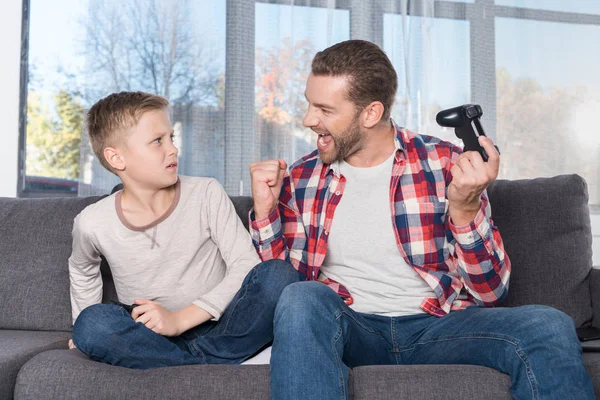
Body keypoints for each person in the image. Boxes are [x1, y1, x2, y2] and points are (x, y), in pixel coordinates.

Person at [249, 40, 594, 399]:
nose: (308, 119)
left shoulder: (447, 162)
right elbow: (279, 299)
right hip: (352, 328)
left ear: (370, 113)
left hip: (439, 328)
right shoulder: (301, 177)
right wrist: (265, 213)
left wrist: (465, 209)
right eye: (309, 104)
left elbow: (490, 292)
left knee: (548, 324)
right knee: (302, 299)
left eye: (324, 109)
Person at [69, 91, 299, 369]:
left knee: (278, 273)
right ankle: (207, 366)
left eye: (171, 138)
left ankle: (182, 368)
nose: (173, 149)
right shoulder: (92, 221)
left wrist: (178, 320)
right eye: (157, 141)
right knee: (91, 324)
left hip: (220, 324)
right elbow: (82, 270)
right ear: (117, 158)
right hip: (150, 335)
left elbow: (245, 264)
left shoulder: (206, 192)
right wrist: (80, 320)